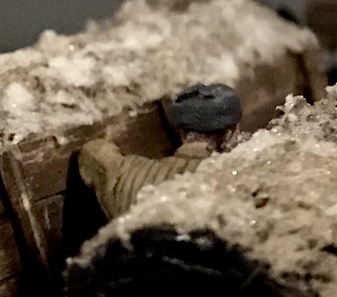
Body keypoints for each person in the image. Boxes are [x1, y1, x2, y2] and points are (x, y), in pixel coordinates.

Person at [77, 82, 246, 221]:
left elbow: (93, 150)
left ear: (181, 132)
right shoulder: (233, 186)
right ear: (228, 135)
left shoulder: (126, 176)